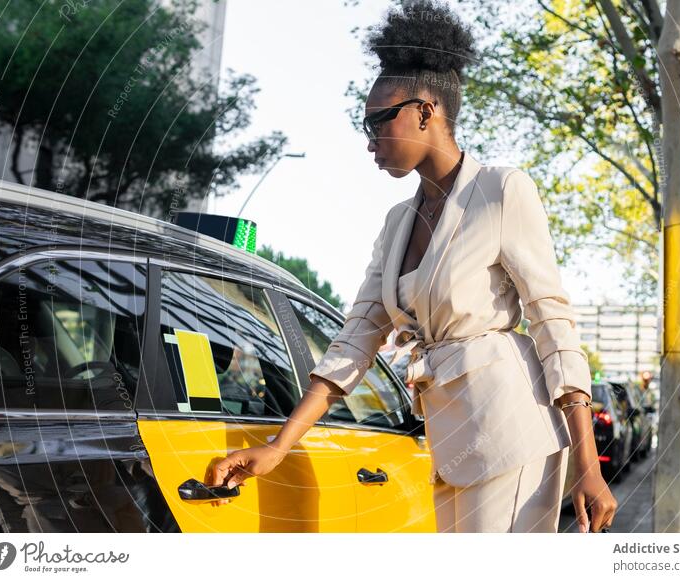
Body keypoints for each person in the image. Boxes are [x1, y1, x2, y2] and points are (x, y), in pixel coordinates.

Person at [207, 0, 617, 534]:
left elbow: (552, 322)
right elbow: (354, 341)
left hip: (513, 431)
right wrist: (279, 445)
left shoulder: (500, 191)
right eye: (365, 125)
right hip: (448, 442)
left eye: (380, 120)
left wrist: (588, 465)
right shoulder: (397, 221)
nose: (369, 141)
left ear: (426, 111)